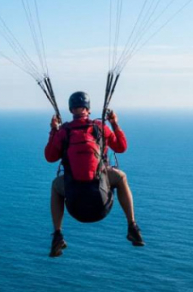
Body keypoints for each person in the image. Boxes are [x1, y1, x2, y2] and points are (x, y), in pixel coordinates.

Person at [45, 91, 144, 257]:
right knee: (121, 177)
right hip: (101, 203)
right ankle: (132, 226)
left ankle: (57, 235)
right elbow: (121, 147)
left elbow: (50, 157)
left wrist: (54, 130)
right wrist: (114, 124)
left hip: (75, 207)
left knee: (56, 186)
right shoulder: (99, 127)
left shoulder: (64, 131)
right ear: (88, 109)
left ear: (71, 110)